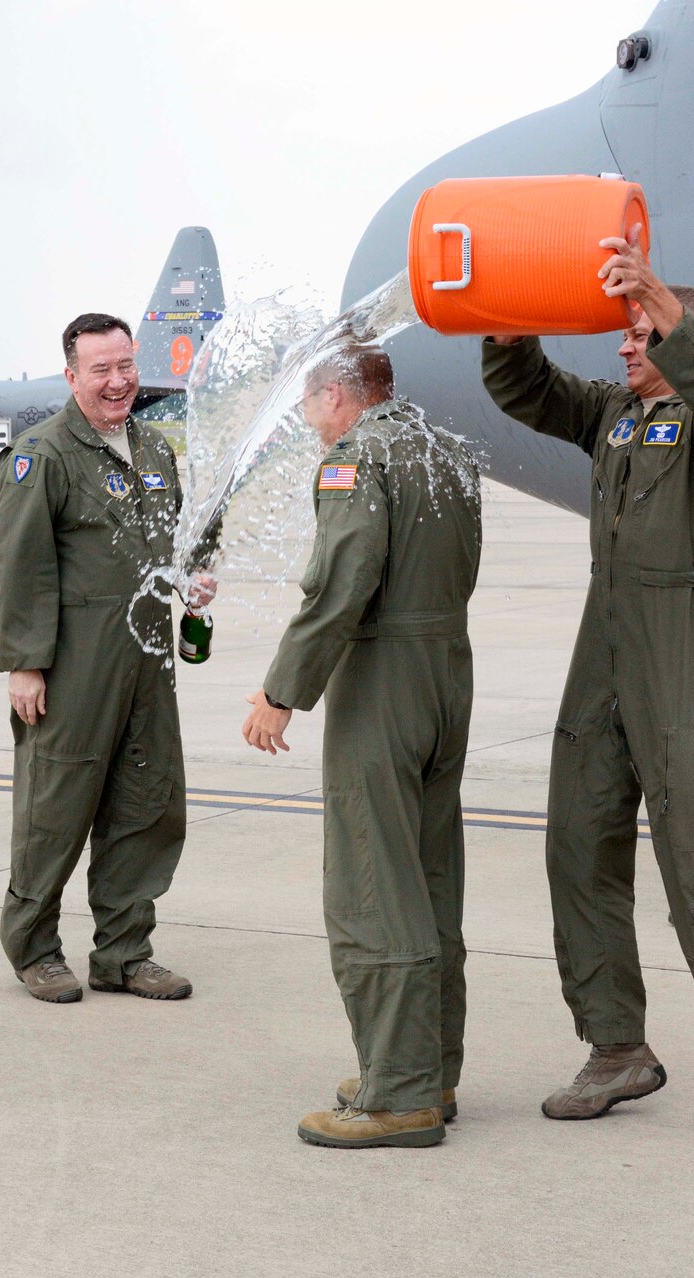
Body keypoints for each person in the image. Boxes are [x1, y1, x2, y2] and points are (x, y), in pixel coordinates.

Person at [480, 228, 694, 1151]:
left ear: (683, 338)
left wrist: (660, 297)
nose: (623, 345)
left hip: (682, 644)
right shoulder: (616, 414)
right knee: (577, 850)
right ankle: (616, 1047)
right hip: (602, 644)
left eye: (641, 331)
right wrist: (508, 314)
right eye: (623, 332)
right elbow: (528, 391)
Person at [243, 344, 482, 1149]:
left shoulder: (356, 457)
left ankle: (400, 1094)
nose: (311, 423)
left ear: (337, 397)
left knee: (372, 884)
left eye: (311, 406)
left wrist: (282, 691)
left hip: (384, 676)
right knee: (429, 874)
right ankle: (427, 1066)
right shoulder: (444, 448)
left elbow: (341, 582)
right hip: (448, 670)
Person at [0, 312, 214, 1004]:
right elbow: (17, 565)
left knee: (146, 805)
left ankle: (123, 950)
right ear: (72, 375)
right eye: (101, 370)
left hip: (146, 659)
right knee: (56, 806)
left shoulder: (154, 451)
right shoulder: (43, 454)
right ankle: (34, 946)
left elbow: (176, 547)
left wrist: (194, 585)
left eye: (125, 367)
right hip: (73, 662)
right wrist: (25, 662)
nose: (117, 382)